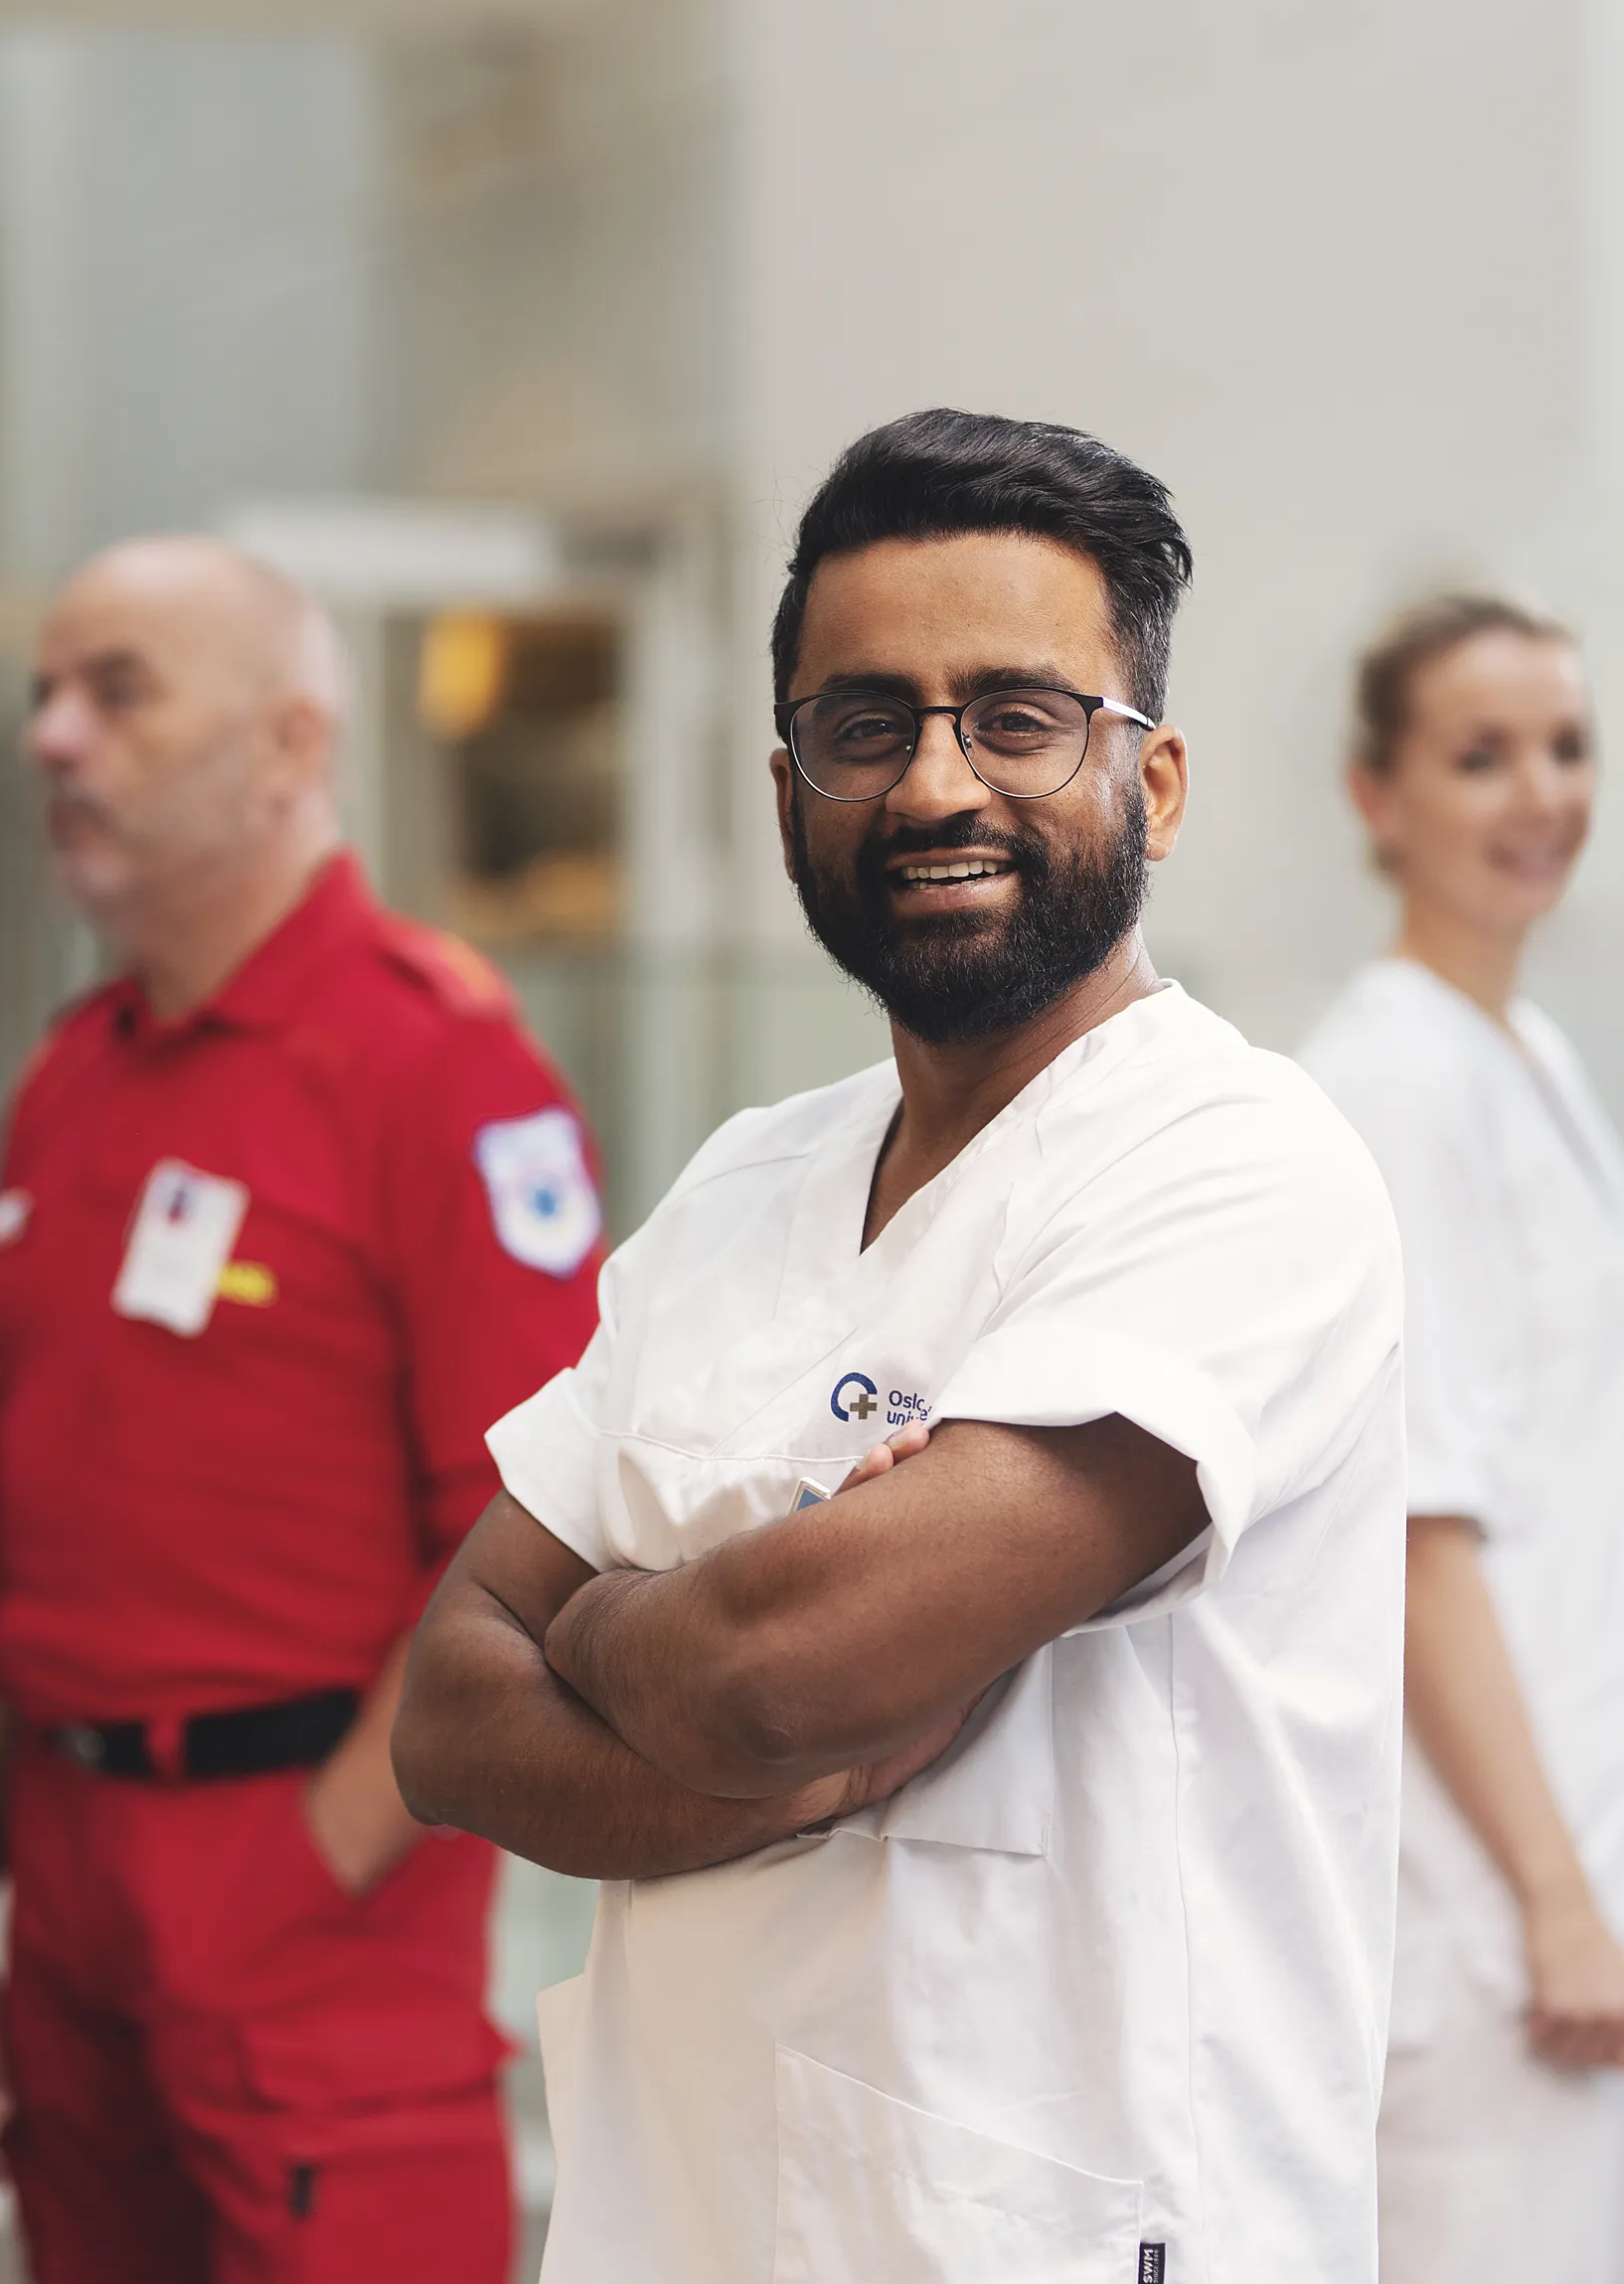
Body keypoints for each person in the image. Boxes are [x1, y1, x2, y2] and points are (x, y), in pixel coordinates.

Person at [394, 409, 1408, 2279]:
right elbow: (449, 1715)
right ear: (789, 791)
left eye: (1017, 718)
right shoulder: (740, 1186)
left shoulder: (1235, 1167)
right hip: (692, 2225)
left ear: (1156, 782)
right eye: (868, 727)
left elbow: (797, 1663)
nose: (939, 784)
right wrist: (770, 1707)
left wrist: (615, 1624)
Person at [0, 535, 602, 2283]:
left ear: (287, 749)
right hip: (65, 1906)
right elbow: (3, 1539)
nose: (50, 737)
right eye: (46, 694)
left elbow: (538, 1541)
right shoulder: (70, 1076)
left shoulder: (442, 1073)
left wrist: (307, 1872)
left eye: (114, 693)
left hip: (316, 1943)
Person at [1296, 594, 1624, 2284]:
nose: (1538, 792)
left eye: (1566, 746)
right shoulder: (1395, 1080)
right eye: (1481, 756)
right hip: (1498, 1925)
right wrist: (1552, 1896)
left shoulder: (1521, 1049)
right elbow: (1418, 1531)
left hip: (1595, 1889)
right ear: (1374, 795)